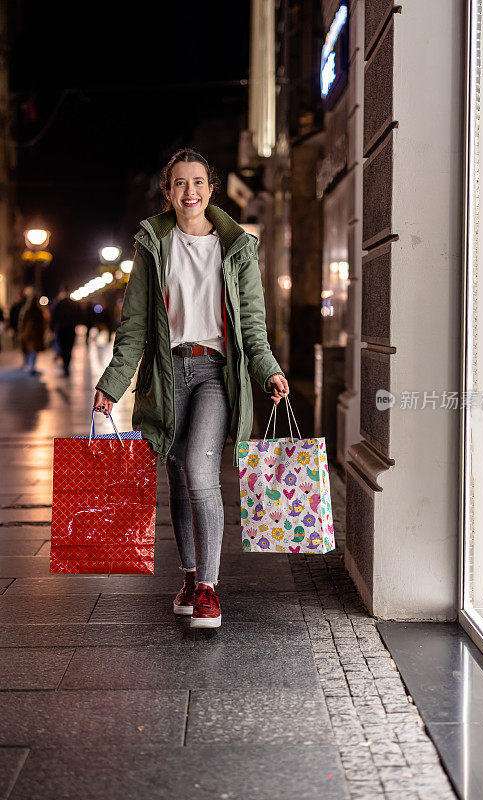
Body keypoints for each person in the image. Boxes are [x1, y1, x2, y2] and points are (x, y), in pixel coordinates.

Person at [93, 148, 290, 629]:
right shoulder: (152, 246)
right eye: (179, 183)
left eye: (198, 182)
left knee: (201, 468)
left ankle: (208, 588)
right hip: (166, 375)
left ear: (211, 188)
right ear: (168, 192)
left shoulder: (238, 248)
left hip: (214, 375)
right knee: (178, 472)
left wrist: (269, 370)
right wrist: (112, 385)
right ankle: (187, 576)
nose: (190, 192)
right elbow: (135, 325)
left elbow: (252, 326)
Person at [50, 285, 82, 376]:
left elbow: (54, 316)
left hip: (61, 328)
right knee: (69, 347)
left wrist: (52, 328)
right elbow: (79, 315)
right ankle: (67, 364)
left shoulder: (59, 303)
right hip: (71, 328)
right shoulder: (73, 304)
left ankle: (65, 364)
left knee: (63, 347)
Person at [18, 286, 46, 375]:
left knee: (29, 350)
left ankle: (30, 366)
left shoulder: (26, 311)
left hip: (28, 333)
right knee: (34, 351)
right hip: (35, 334)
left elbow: (22, 322)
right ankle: (32, 366)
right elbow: (43, 323)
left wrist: (21, 331)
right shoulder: (38, 311)